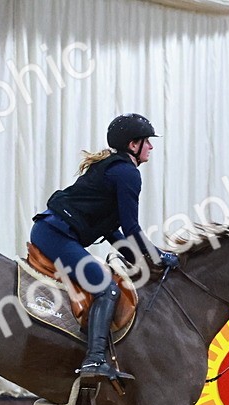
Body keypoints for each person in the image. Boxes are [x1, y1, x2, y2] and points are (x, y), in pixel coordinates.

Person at [29, 113, 178, 384]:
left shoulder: (114, 168)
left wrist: (144, 262)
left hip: (52, 230)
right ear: (134, 145)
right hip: (55, 235)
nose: (151, 148)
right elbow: (132, 229)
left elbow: (112, 231)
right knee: (106, 288)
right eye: (148, 142)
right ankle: (94, 358)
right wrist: (159, 256)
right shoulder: (127, 173)